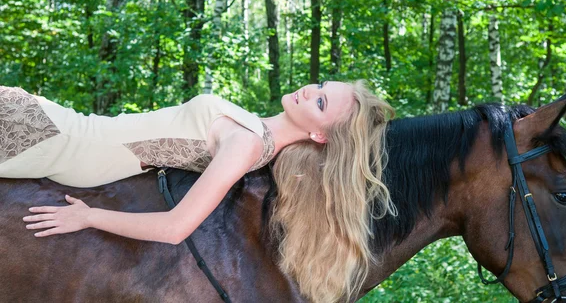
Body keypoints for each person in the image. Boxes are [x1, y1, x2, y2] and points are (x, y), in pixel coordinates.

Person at [3, 81, 396, 302]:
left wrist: (86, 216)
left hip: (63, 144)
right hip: (60, 123)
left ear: (319, 134)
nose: (309, 91)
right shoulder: (256, 133)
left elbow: (176, 227)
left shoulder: (246, 146)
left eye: (321, 101)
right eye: (322, 85)